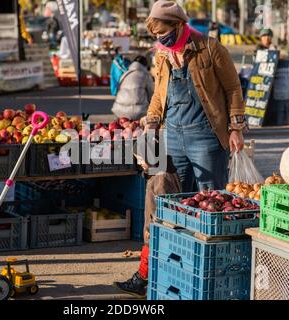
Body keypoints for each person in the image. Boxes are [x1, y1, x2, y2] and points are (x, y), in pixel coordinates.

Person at [143, 0, 246, 194]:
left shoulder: (210, 48)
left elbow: (233, 88)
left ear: (179, 24)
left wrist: (236, 128)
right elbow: (159, 92)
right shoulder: (161, 54)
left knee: (211, 199)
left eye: (163, 33)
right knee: (172, 195)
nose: (160, 39)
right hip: (172, 135)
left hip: (206, 138)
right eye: (156, 35)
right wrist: (151, 125)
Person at [113, 135, 181, 298]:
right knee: (150, 251)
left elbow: (165, 207)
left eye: (141, 159)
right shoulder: (159, 173)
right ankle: (141, 281)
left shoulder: (161, 178)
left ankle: (140, 282)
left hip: (157, 227)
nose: (139, 162)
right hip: (156, 226)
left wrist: (153, 227)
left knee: (150, 251)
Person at [111, 56, 155, 120]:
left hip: (118, 111)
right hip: (138, 113)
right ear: (145, 65)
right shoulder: (146, 75)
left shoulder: (125, 74)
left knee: (120, 129)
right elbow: (151, 96)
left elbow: (117, 91)